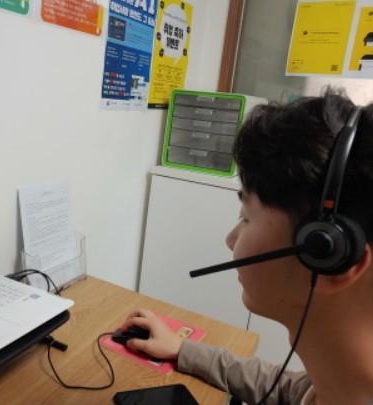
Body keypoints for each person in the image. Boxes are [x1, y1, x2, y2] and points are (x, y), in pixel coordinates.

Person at [121, 89, 373, 404]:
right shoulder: (336, 384)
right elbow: (290, 389)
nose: (230, 239)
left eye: (246, 217)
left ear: (327, 253)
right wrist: (183, 349)